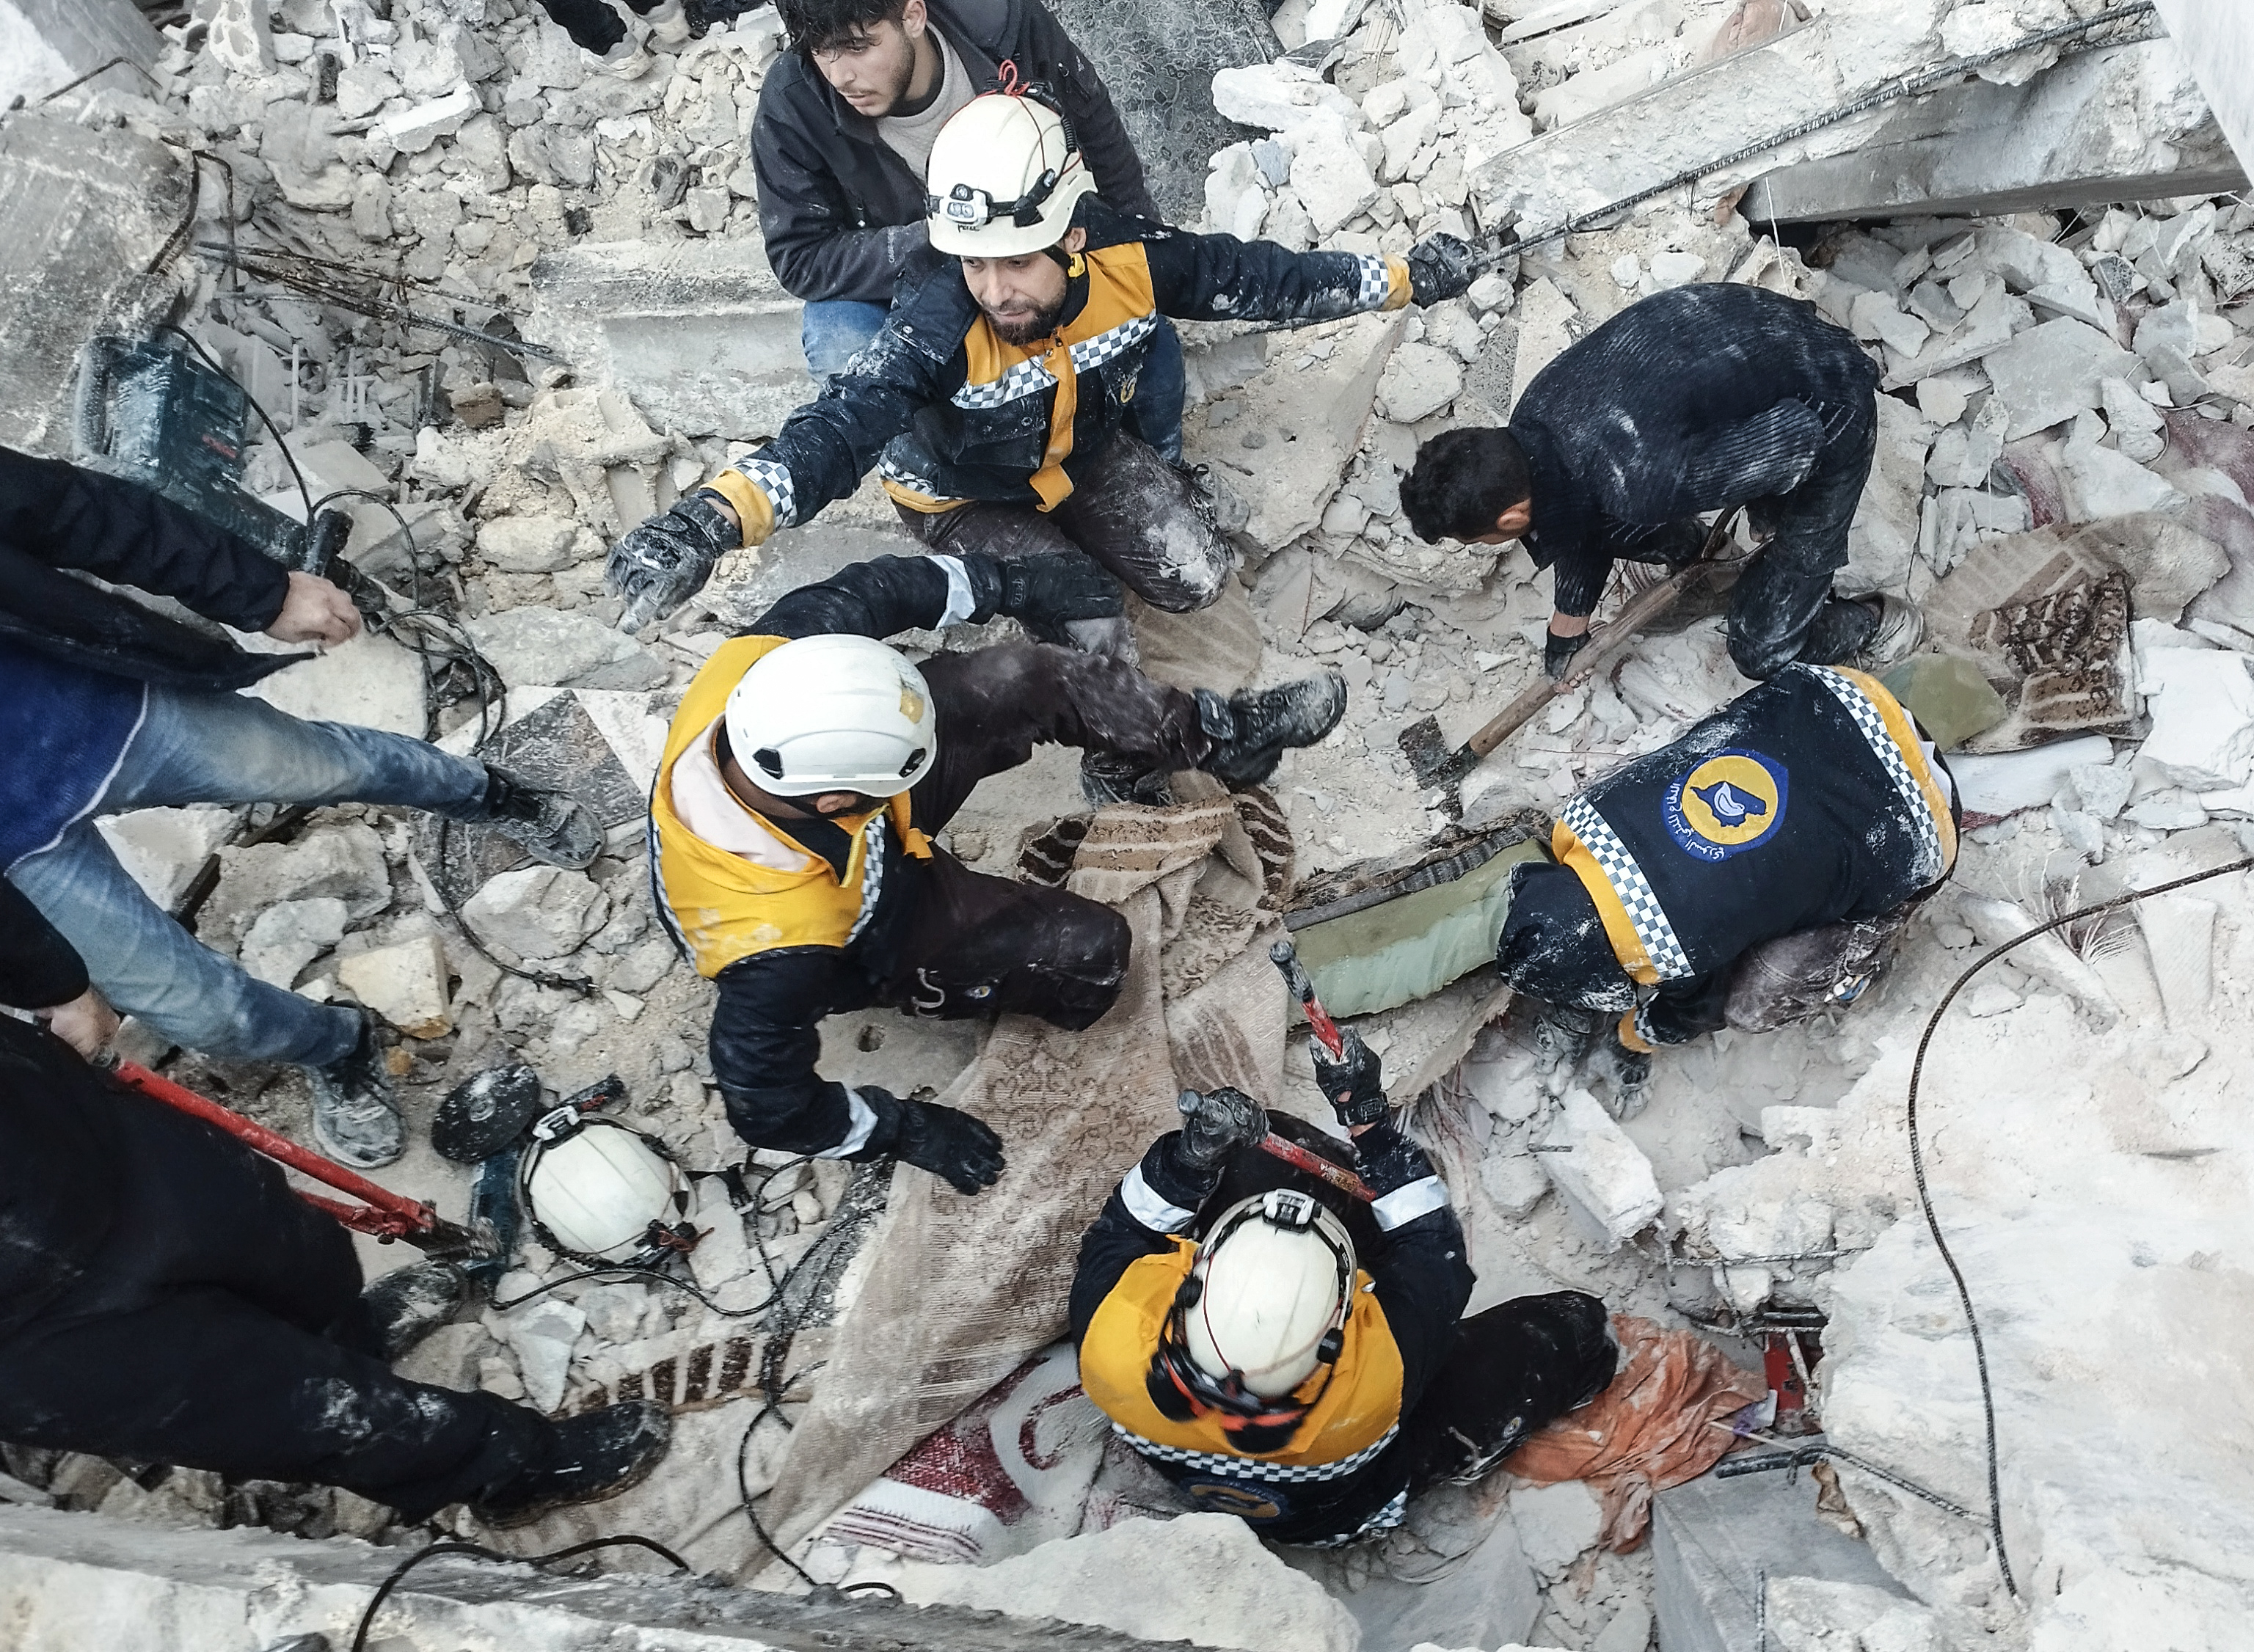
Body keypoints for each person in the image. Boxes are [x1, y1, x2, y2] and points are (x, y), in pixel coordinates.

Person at [608, 91, 1477, 646]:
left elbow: (1266, 278)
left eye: (1014, 262)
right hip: (964, 493)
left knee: (1197, 576)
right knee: (1094, 626)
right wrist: (711, 520)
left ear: (1069, 234)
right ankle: (1110, 749)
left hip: (1079, 453)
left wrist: (1404, 277)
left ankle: (1094, 544)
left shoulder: (1128, 256)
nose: (993, 289)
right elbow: (840, 427)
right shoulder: (939, 318)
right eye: (974, 265)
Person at [0, 856, 672, 1528]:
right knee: (296, 1410)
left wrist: (48, 975)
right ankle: (509, 1468)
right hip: (11, 1326)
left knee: (296, 1250)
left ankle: (351, 1337)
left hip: (59, 1128)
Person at [0, 442, 602, 1169]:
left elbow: (76, 511)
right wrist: (47, 984)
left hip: (107, 711)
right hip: (10, 858)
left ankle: (486, 792)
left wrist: (263, 591)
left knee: (327, 765)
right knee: (205, 1014)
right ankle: (340, 1044)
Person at [649, 547, 1346, 1182]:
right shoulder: (777, 952)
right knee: (1089, 952)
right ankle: (1016, 991)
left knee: (1018, 676)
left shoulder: (767, 676)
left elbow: (871, 586)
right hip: (867, 929)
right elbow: (765, 1103)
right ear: (838, 798)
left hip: (857, 836)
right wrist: (904, 1129)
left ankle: (1213, 738)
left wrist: (998, 579)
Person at [1069, 1044, 1615, 1546]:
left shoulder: (1110, 1341)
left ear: (1193, 1283)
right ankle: (1541, 1396)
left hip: (1213, 1476)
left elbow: (1122, 1229)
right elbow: (1436, 1252)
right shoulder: (1375, 1379)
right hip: (1351, 1501)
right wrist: (1372, 1128)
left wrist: (1189, 1159)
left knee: (1256, 1150)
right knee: (1573, 1328)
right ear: (1339, 1328)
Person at [1396, 282, 1919, 685]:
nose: (1483, 545)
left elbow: (1800, 440)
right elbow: (1575, 513)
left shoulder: (1638, 483)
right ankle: (1703, 560)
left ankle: (1878, 621)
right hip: (1745, 330)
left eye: (1479, 539)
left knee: (1761, 651)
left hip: (1828, 404)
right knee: (1622, 515)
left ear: (1509, 519)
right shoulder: (1532, 419)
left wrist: (1767, 519)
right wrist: (1567, 629)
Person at [755, 0, 1188, 458]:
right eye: (824, 52)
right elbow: (800, 256)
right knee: (840, 337)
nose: (841, 76)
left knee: (1149, 340)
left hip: (1029, 254)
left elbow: (1097, 135)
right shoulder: (795, 99)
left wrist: (1141, 249)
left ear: (913, 15)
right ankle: (944, 483)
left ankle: (1160, 463)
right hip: (906, 284)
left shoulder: (1005, 29)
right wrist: (948, 237)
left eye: (860, 47)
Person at [1496, 663, 1957, 1090]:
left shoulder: (1672, 949)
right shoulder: (1581, 817)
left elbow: (1696, 1010)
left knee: (1750, 1005)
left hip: (1918, 825)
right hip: (1842, 699)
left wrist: (1632, 1039)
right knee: (1698, 760)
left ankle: (1860, 964)